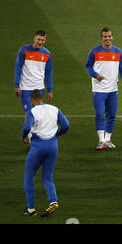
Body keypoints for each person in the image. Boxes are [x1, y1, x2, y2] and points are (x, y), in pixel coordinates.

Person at [22, 89, 70, 217]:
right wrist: (57, 134)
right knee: (47, 177)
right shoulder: (54, 108)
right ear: (42, 98)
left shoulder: (32, 111)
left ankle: (31, 209)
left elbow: (27, 127)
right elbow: (66, 125)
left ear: (32, 100)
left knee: (29, 176)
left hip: (38, 146)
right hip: (53, 146)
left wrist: (23, 136)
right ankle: (53, 201)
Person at [85, 27, 122, 150]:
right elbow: (88, 67)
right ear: (102, 38)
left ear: (112, 37)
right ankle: (101, 140)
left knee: (111, 114)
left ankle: (108, 139)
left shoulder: (118, 52)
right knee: (99, 114)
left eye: (109, 36)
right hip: (98, 89)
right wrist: (95, 75)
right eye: (105, 36)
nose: (107, 38)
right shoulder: (94, 52)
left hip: (113, 89)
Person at [15, 30, 53, 142]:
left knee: (37, 114)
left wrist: (49, 89)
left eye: (43, 40)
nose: (40, 42)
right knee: (30, 113)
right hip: (26, 88)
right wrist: (17, 85)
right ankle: (32, 141)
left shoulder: (47, 54)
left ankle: (30, 135)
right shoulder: (24, 50)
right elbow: (18, 68)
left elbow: (48, 73)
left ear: (45, 40)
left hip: (40, 88)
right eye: (38, 39)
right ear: (34, 38)